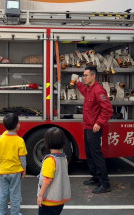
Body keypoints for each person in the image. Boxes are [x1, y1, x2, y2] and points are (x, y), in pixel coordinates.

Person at [76, 66, 113, 194]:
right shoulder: (88, 89)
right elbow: (82, 90)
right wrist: (77, 82)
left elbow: (108, 110)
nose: (84, 77)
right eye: (83, 75)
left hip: (94, 128)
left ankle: (105, 184)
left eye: (86, 75)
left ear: (93, 76)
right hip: (87, 127)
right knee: (90, 154)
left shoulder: (98, 90)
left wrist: (99, 123)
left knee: (96, 155)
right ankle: (96, 177)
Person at [0, 113, 27, 215]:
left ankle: (2, 213)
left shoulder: (1, 139)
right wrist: (24, 169)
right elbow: (22, 158)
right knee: (15, 194)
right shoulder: (19, 140)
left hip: (3, 171)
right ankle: (15, 213)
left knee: (3, 193)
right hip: (15, 171)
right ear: (17, 125)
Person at [37, 127, 71, 215]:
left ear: (47, 142)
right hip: (59, 200)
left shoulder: (50, 160)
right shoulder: (64, 158)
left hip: (49, 201)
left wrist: (40, 195)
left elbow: (47, 180)